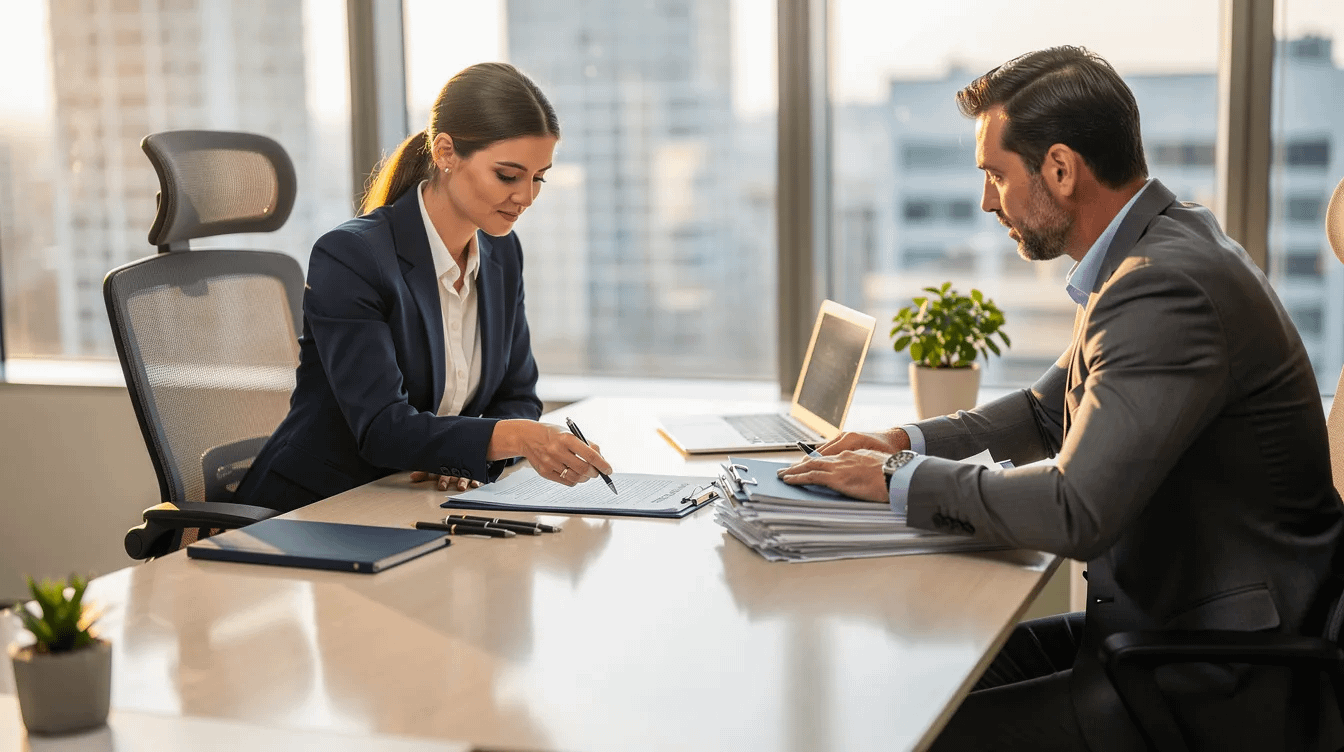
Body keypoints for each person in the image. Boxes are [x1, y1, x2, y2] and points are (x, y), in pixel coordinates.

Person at [778, 46, 1344, 750]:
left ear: (1062, 169)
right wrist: (902, 443)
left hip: (1215, 679)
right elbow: (1047, 410)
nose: (988, 200)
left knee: (911, 733)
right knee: (922, 685)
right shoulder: (1160, 244)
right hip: (1166, 629)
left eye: (996, 175)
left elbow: (1076, 510)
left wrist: (899, 483)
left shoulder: (1161, 286)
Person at [235, 62, 611, 513]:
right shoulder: (351, 256)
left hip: (411, 507)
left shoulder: (501, 255)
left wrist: (469, 456)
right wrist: (513, 438)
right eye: (509, 176)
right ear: (447, 152)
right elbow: (382, 428)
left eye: (539, 178)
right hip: (314, 510)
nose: (527, 197)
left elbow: (518, 394)